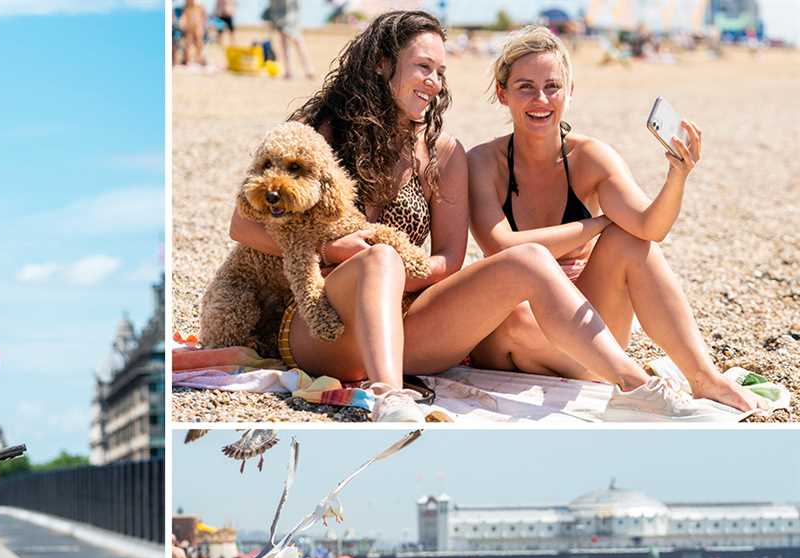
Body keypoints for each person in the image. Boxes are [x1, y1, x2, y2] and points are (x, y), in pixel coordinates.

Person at [228, 11, 710, 424]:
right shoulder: (322, 132)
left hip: (410, 323)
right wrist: (336, 250)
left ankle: (632, 387)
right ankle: (388, 396)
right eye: (422, 67)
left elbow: (447, 264)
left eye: (439, 72)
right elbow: (243, 225)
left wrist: (402, 272)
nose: (433, 82)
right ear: (381, 65)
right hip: (323, 326)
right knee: (380, 260)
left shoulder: (445, 153)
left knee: (528, 261)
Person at [465, 26, 761, 415]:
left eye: (553, 86)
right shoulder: (482, 163)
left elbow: (650, 228)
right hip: (516, 330)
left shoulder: (590, 157)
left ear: (571, 91)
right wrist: (597, 225)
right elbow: (502, 247)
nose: (541, 99)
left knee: (632, 243)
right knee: (519, 305)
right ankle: (612, 373)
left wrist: (677, 176)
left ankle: (703, 377)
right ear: (503, 94)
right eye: (525, 87)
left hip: (586, 325)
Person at [266, 0, 313, 80]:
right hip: (280, 14)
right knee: (286, 42)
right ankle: (289, 71)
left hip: (289, 15)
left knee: (297, 41)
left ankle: (307, 70)